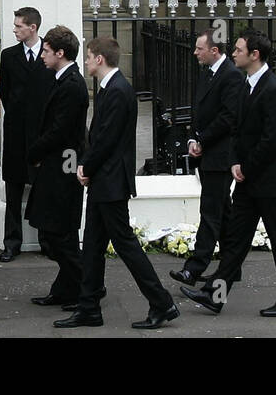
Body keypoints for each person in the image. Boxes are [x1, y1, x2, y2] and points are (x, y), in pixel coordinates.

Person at [56, 37, 180, 330]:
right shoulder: (109, 89)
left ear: (100, 59)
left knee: (125, 245)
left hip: (110, 181)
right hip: (104, 180)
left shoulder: (118, 91)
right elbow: (99, 137)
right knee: (94, 245)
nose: (85, 62)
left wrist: (85, 166)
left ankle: (162, 303)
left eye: (88, 57)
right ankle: (89, 308)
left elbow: (107, 140)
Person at [179, 30, 276, 319]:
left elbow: (272, 140)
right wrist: (235, 161)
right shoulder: (247, 84)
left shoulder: (273, 89)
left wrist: (245, 167)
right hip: (249, 181)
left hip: (270, 183)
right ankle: (214, 295)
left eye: (238, 49)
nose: (233, 53)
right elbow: (237, 129)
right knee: (235, 242)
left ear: (254, 54)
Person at [170, 27, 244, 285]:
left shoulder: (231, 76)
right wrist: (192, 138)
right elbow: (199, 111)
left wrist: (203, 140)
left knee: (210, 211)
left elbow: (228, 117)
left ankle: (195, 268)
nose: (195, 53)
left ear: (214, 50)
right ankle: (231, 268)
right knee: (223, 213)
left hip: (221, 156)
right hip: (207, 153)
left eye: (199, 49)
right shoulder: (208, 74)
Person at [24, 25, 89, 311]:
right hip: (58, 162)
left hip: (63, 165)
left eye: (47, 52)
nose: (42, 56)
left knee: (57, 233)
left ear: (60, 53)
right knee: (57, 232)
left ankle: (85, 287)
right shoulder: (63, 79)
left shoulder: (72, 85)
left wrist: (34, 152)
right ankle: (66, 289)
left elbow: (61, 131)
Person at [0, 6, 55, 262]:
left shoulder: (49, 55)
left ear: (33, 28)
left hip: (42, 134)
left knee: (43, 188)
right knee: (13, 188)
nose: (14, 29)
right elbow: (5, 92)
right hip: (16, 133)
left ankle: (46, 240)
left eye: (19, 26)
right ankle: (12, 241)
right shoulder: (9, 56)